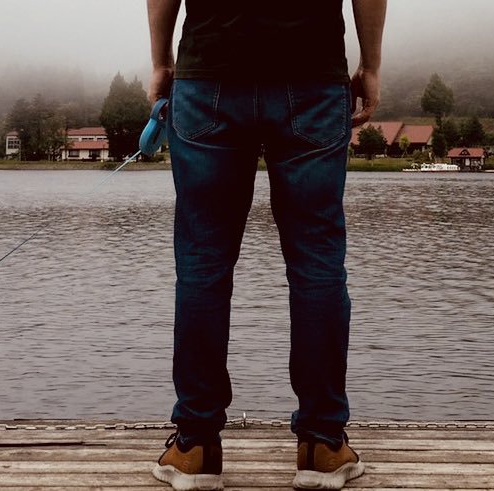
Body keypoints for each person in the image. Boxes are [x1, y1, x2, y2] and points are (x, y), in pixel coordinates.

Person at [146, 1, 384, 490]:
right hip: (312, 78)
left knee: (203, 264)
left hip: (209, 75)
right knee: (317, 263)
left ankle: (195, 447)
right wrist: (371, 65)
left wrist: (161, 62)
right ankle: (323, 445)